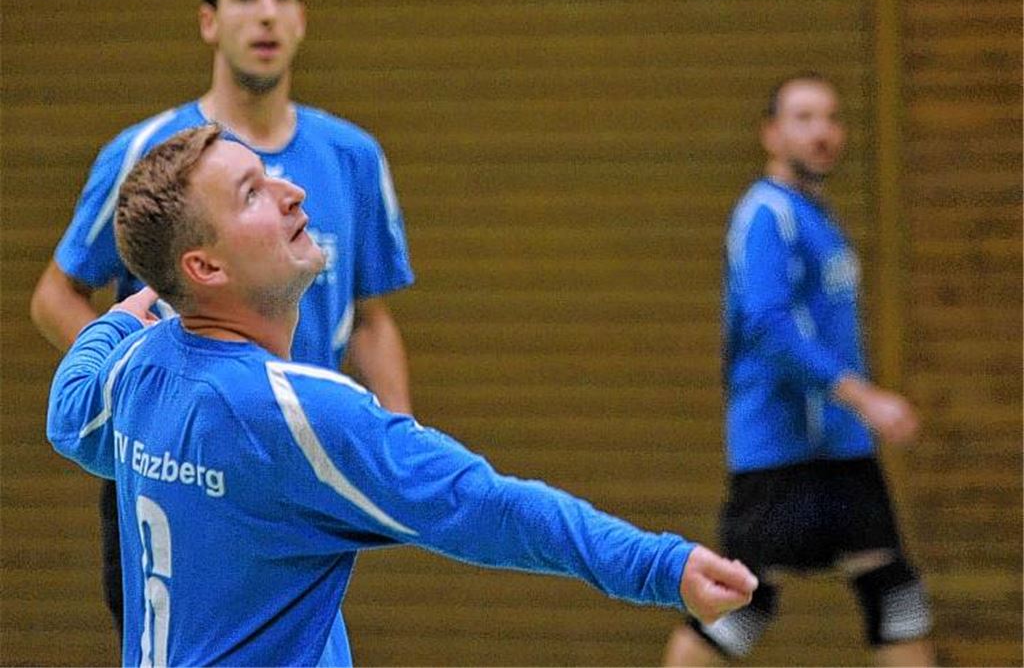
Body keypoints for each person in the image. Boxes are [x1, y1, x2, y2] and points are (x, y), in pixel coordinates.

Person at [47, 124, 759, 666]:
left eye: (270, 173)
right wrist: (660, 566)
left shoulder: (140, 370)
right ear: (203, 265)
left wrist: (119, 315)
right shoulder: (298, 414)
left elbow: (66, 411)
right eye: (253, 193)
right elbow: (485, 506)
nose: (291, 190)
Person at [29, 0, 415, 637]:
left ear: (301, 20)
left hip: (292, 470)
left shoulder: (353, 158)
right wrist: (141, 395)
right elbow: (56, 294)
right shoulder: (147, 154)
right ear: (210, 22)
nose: (264, 12)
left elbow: (370, 319)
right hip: (177, 474)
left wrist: (394, 436)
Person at [662, 73, 936, 667]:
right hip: (781, 453)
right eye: (804, 118)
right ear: (771, 132)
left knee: (896, 597)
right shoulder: (766, 215)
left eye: (832, 118)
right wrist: (863, 397)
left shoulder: (819, 218)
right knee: (737, 605)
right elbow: (769, 323)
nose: (823, 133)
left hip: (839, 451)